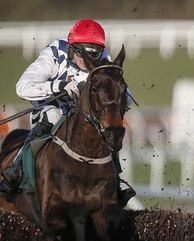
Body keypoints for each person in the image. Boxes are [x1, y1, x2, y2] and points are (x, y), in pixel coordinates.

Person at [0, 19, 136, 207]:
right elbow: (22, 87)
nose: (91, 62)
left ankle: (115, 182)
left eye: (96, 55)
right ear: (73, 49)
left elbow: (125, 96)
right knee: (53, 115)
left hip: (81, 116)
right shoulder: (54, 53)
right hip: (50, 108)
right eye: (87, 55)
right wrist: (58, 86)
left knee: (107, 127)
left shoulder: (103, 56)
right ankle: (15, 170)